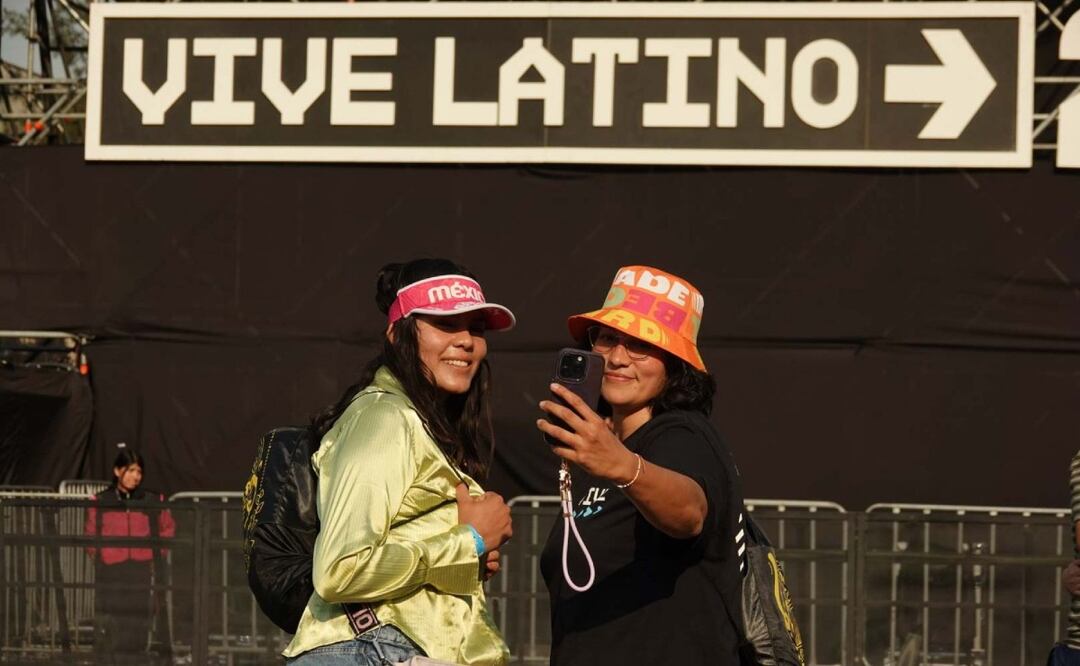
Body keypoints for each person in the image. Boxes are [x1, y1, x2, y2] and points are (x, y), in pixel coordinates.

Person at [283, 258, 515, 665]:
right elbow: (341, 568)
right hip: (369, 649)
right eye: (446, 324)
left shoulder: (423, 423)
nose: (465, 340)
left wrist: (466, 561)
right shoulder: (385, 418)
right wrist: (470, 540)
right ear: (397, 334)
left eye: (475, 328)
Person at [537, 265, 746, 665]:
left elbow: (689, 513)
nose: (617, 358)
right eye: (608, 338)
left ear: (673, 362)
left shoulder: (681, 434)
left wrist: (623, 466)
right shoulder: (601, 448)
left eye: (641, 345)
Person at [84, 445, 176, 664]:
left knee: (138, 621)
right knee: (113, 622)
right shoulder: (101, 500)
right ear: (118, 471)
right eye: (132, 470)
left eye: (139, 472)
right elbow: (90, 534)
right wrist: (101, 556)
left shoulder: (152, 499)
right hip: (112, 570)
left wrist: (157, 557)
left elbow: (168, 529)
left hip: (141, 569)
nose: (136, 476)